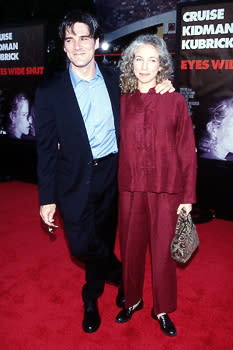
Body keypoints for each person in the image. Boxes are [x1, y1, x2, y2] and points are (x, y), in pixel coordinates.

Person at [34, 10, 174, 334]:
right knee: (82, 247)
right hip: (73, 180)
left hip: (114, 175)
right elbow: (44, 150)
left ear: (96, 42)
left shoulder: (116, 79)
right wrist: (46, 198)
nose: (78, 45)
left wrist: (164, 85)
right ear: (64, 47)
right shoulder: (50, 91)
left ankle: (91, 298)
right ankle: (124, 275)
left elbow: (146, 91)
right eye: (70, 40)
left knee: (105, 237)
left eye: (84, 38)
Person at [115, 34, 197, 337]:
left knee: (163, 253)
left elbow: (187, 149)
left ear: (162, 64)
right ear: (130, 62)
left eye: (152, 59)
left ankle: (162, 309)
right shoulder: (121, 100)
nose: (144, 66)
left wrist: (188, 196)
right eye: (138, 59)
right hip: (131, 189)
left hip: (167, 190)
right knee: (130, 249)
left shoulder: (175, 101)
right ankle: (132, 300)